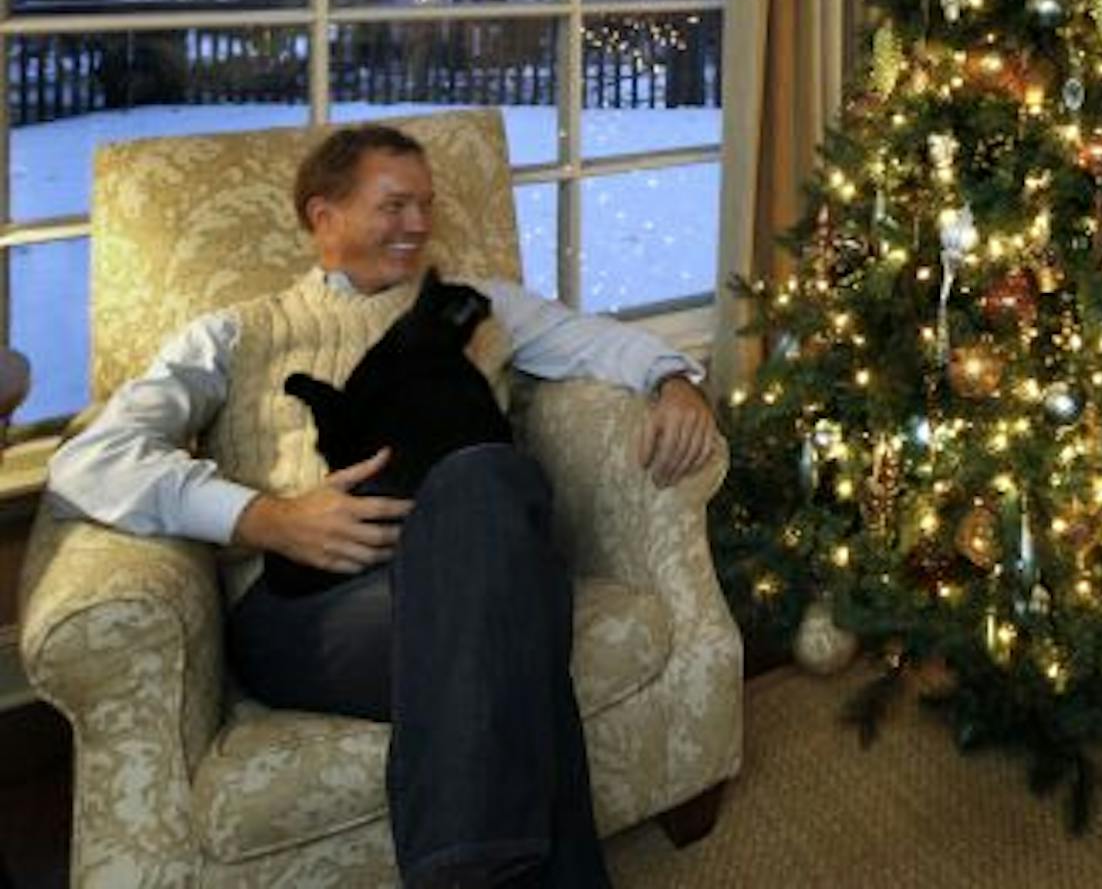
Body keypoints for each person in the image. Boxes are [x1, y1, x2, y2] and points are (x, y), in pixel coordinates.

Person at [46, 124, 720, 887]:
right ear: (323, 216)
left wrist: (674, 382)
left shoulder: (476, 306)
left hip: (472, 570)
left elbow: (595, 342)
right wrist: (262, 516)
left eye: (426, 205)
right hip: (309, 613)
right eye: (392, 205)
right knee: (517, 626)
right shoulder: (235, 333)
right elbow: (89, 460)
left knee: (487, 482)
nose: (418, 224)